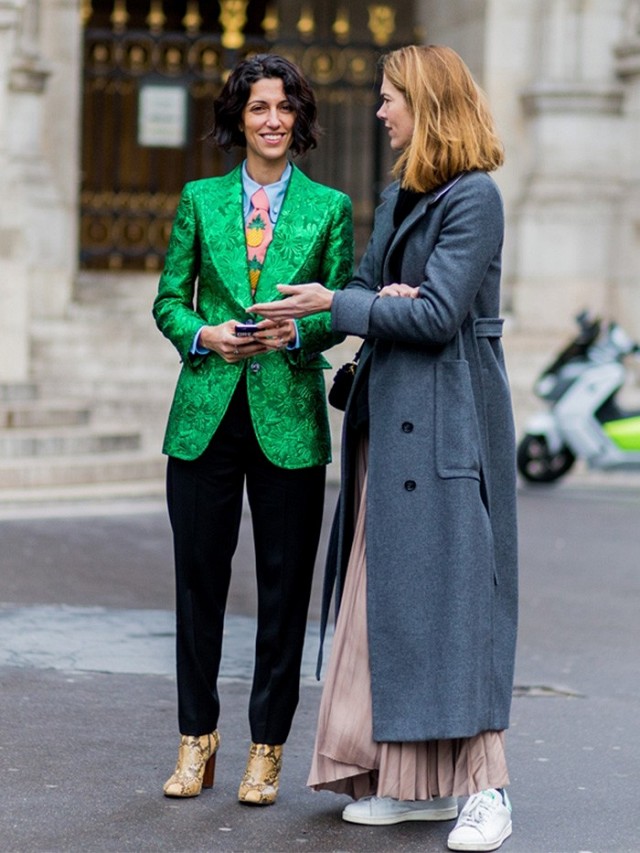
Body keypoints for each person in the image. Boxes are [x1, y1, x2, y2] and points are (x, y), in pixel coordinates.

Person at [250, 44, 518, 851]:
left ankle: (489, 791)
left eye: (390, 97)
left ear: (427, 104)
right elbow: (369, 291)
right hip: (389, 424)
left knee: (456, 603)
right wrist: (311, 316)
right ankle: (412, 786)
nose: (379, 111)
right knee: (391, 611)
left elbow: (435, 315)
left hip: (448, 427)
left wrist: (359, 301)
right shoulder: (403, 191)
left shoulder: (475, 199)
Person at [152, 54, 353, 807]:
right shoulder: (199, 200)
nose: (272, 119)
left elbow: (337, 307)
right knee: (198, 585)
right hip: (205, 412)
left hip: (289, 417)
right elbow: (170, 299)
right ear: (238, 117)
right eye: (258, 106)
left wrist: (298, 338)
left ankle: (265, 748)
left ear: (299, 119)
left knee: (283, 588)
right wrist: (205, 335)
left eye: (285, 107)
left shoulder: (329, 207)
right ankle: (195, 739)